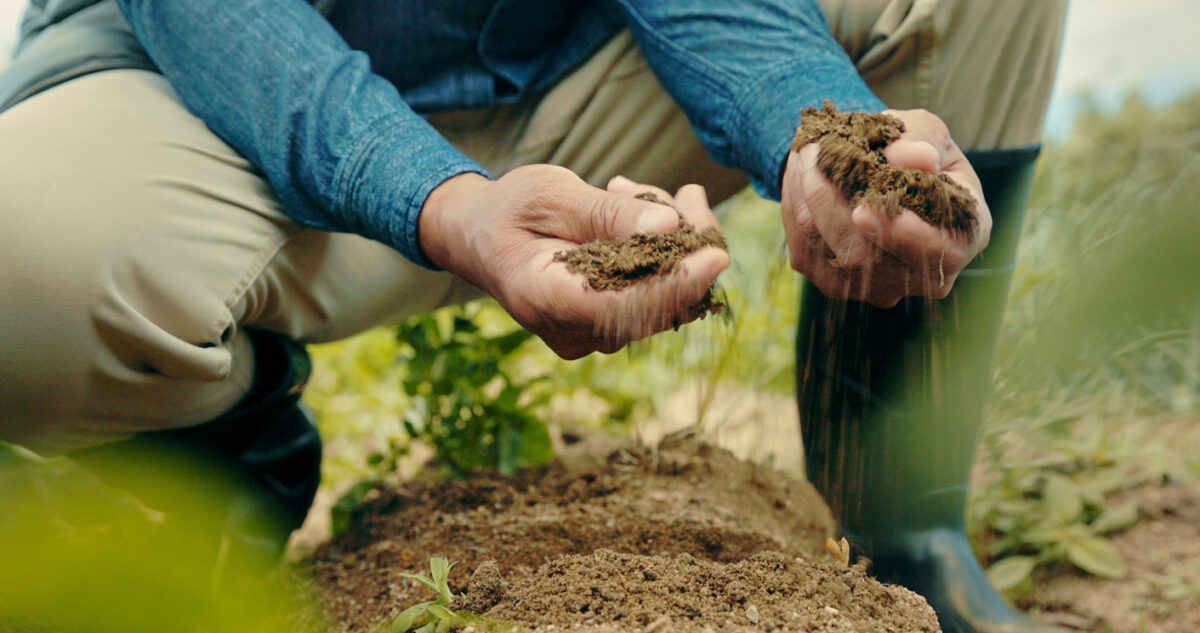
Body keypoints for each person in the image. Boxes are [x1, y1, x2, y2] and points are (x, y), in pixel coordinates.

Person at [0, 1, 1067, 631]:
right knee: (25, 263)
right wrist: (447, 204)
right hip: (220, 94)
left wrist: (816, 133)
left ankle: (903, 530)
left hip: (585, 69)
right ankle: (220, 447)